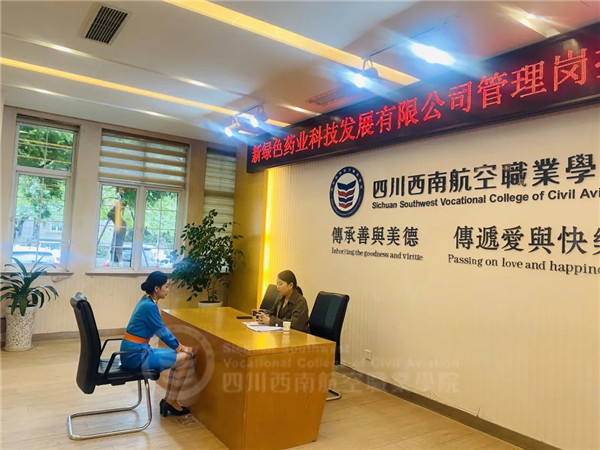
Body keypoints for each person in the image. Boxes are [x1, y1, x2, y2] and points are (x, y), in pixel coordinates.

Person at [120, 271, 195, 416]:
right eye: (166, 286)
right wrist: (180, 347)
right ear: (156, 288)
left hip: (135, 351)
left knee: (179, 357)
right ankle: (171, 402)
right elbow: (161, 331)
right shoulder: (149, 306)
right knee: (185, 358)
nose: (168, 290)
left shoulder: (146, 301)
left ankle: (169, 400)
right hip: (136, 356)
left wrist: (178, 348)